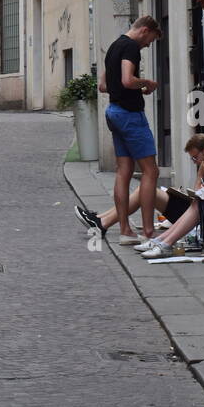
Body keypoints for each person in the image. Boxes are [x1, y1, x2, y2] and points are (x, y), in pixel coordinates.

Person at [75, 16, 162, 243]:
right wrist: (147, 83)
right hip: (130, 115)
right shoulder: (131, 47)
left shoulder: (114, 46)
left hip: (113, 112)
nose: (147, 45)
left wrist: (129, 86)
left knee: (123, 170)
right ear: (145, 30)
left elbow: (104, 85)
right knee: (151, 171)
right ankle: (149, 232)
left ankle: (125, 231)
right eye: (149, 41)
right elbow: (126, 80)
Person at [137, 133, 204, 259]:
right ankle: (162, 240)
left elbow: (199, 195)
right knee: (195, 204)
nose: (195, 162)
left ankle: (165, 243)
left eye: (195, 158)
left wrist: (200, 174)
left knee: (196, 204)